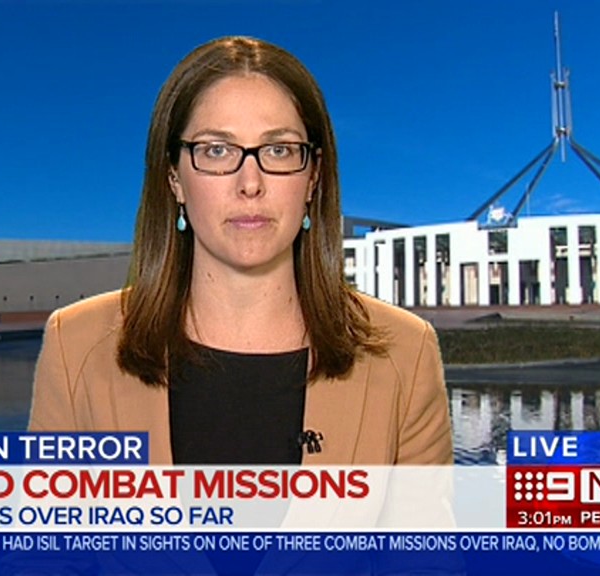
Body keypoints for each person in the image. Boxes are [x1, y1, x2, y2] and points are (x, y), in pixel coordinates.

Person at [29, 35, 452, 466]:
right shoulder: (76, 347)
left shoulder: (406, 355)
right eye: (216, 150)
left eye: (279, 150)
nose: (250, 184)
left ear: (313, 177)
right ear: (174, 177)